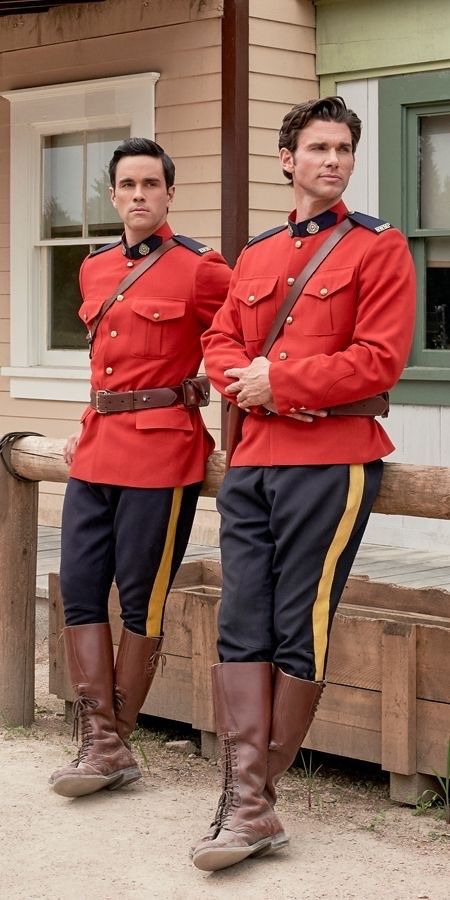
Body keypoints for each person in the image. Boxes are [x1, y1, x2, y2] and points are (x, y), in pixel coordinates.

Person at [191, 97, 416, 871]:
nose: (332, 159)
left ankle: (251, 802)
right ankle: (247, 801)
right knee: (239, 617)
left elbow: (379, 362)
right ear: (287, 159)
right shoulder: (256, 255)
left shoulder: (379, 249)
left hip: (332, 457)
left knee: (298, 620)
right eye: (318, 147)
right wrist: (243, 381)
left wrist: (275, 380)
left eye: (343, 148)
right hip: (254, 464)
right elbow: (219, 338)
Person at [49, 138, 231, 798]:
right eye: (126, 185)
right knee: (79, 582)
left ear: (169, 194)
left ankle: (109, 742)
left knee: (141, 596)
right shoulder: (96, 267)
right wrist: (83, 425)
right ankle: (102, 741)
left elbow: (238, 347)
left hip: (163, 450)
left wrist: (241, 433)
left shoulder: (202, 268)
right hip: (98, 448)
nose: (137, 196)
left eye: (150, 184)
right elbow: (107, 362)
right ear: (112, 193)